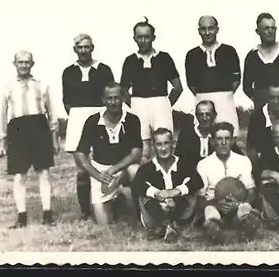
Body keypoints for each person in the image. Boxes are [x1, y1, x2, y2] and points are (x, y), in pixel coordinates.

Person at [0, 51, 60, 228]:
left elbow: (52, 113)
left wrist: (54, 138)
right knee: (19, 175)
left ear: (32, 64)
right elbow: (3, 115)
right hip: (17, 130)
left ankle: (47, 215)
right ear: (14, 64)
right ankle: (21, 217)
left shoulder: (41, 85)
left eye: (27, 62)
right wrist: (2, 140)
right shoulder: (8, 87)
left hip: (39, 127)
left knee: (44, 172)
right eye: (20, 62)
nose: (24, 65)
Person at [62, 33, 116, 220]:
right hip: (78, 117)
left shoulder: (104, 69)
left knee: (104, 160)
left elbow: (111, 95)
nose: (84, 51)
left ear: (92, 48)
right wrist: (79, 117)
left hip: (100, 117)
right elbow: (67, 102)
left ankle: (108, 203)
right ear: (75, 49)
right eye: (80, 47)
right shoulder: (68, 72)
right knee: (82, 167)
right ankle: (86, 210)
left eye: (87, 47)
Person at [73, 82, 142, 224]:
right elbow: (80, 153)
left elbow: (136, 153)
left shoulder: (132, 120)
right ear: (103, 100)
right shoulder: (92, 121)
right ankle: (114, 202)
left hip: (123, 170)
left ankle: (140, 212)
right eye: (109, 98)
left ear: (123, 98)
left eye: (117, 98)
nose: (113, 102)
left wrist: (115, 169)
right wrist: (98, 175)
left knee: (135, 170)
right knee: (103, 224)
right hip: (101, 172)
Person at [120, 17, 183, 164]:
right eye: (139, 37)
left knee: (164, 147)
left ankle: (166, 182)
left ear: (153, 37)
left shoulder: (164, 58)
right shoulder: (130, 60)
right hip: (138, 104)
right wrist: (135, 105)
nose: (143, 41)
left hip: (161, 103)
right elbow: (123, 90)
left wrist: (165, 104)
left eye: (146, 37)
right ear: (134, 38)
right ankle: (146, 183)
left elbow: (178, 87)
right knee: (143, 150)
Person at [131, 128, 204, 242]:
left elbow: (198, 181)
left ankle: (167, 227)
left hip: (180, 211)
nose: (163, 148)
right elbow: (136, 185)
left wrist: (175, 192)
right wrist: (158, 195)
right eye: (159, 144)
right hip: (155, 213)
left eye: (166, 143)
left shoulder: (184, 164)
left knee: (191, 192)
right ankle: (167, 225)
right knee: (143, 195)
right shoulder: (147, 168)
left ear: (173, 144)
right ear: (153, 146)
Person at [196, 122, 262, 244]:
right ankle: (215, 230)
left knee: (246, 208)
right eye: (219, 139)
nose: (223, 143)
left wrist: (239, 203)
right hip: (215, 205)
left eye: (227, 138)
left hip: (238, 204)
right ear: (212, 141)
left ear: (232, 141)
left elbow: (251, 189)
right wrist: (217, 204)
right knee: (209, 211)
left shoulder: (243, 161)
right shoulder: (203, 164)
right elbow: (200, 197)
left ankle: (246, 228)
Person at [185, 15, 242, 137]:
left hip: (225, 100)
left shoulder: (229, 51)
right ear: (199, 30)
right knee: (202, 137)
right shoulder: (192, 55)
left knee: (227, 137)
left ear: (217, 29)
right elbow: (192, 85)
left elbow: (236, 81)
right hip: (202, 100)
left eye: (210, 28)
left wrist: (223, 95)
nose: (207, 32)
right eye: (203, 29)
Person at [175, 100, 243, 169]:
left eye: (208, 114)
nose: (204, 118)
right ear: (196, 116)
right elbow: (179, 161)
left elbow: (239, 157)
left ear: (214, 115)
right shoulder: (186, 134)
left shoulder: (220, 133)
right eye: (201, 115)